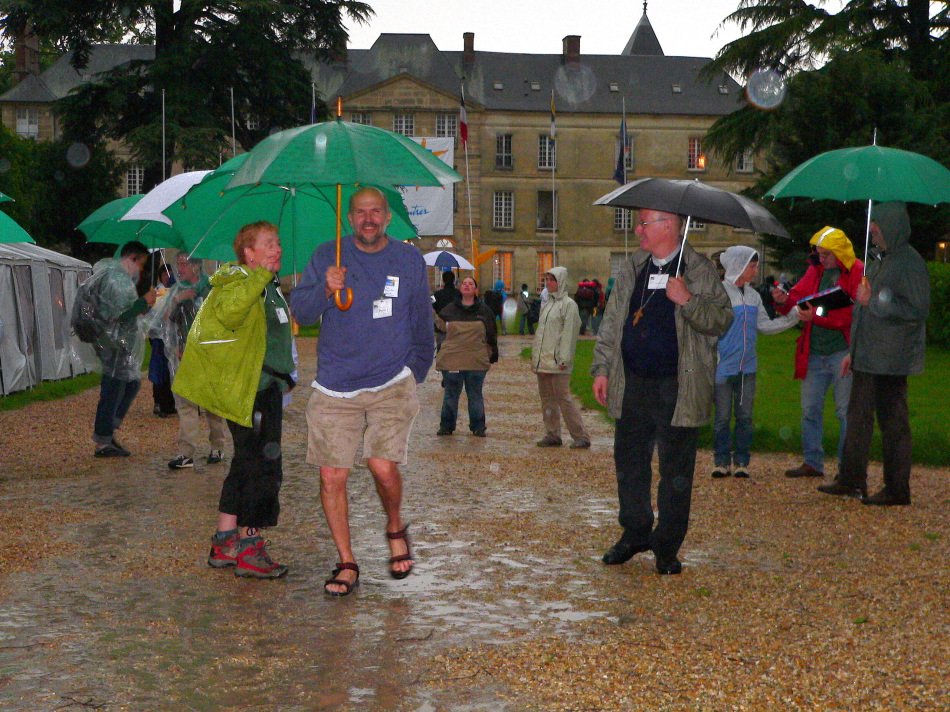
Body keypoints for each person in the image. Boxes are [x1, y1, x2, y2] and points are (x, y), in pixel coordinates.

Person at [290, 187, 433, 597]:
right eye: (360, 212)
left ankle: (394, 524)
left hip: (392, 382)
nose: (368, 219)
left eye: (375, 212)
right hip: (336, 384)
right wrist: (325, 290)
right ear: (349, 219)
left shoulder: (407, 260)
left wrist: (416, 371)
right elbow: (301, 312)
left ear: (387, 217)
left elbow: (421, 319)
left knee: (381, 466)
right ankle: (347, 561)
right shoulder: (326, 256)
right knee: (331, 475)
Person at [591, 209, 732, 575]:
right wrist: (603, 368)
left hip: (679, 387)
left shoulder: (698, 269)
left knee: (676, 471)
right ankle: (635, 531)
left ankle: (666, 546)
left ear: (668, 226)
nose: (637, 229)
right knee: (630, 463)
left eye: (644, 223)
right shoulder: (633, 267)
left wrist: (687, 300)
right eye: (639, 223)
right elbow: (612, 322)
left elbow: (721, 321)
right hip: (634, 382)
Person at [173, 222, 295, 579]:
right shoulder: (238, 280)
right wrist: (258, 278)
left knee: (246, 462)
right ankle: (249, 547)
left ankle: (225, 540)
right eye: (268, 244)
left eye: (278, 242)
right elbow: (230, 313)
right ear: (248, 252)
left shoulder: (268, 285)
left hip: (265, 386)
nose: (277, 249)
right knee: (262, 466)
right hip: (250, 389)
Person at [818, 203, 931, 505]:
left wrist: (875, 303)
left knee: (893, 424)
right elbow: (862, 312)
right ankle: (852, 479)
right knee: (858, 419)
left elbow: (918, 310)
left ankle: (897, 489)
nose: (871, 231)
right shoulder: (878, 261)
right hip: (869, 355)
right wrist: (853, 351)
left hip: (892, 359)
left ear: (892, 226)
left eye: (877, 226)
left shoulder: (909, 263)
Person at [772, 227, 864, 480]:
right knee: (809, 410)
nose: (821, 259)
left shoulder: (856, 271)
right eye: (819, 254)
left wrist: (817, 316)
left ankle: (847, 468)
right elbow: (799, 298)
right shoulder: (816, 269)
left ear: (839, 253)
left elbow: (851, 315)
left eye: (826, 255)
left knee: (845, 412)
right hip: (814, 351)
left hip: (842, 352)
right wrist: (783, 300)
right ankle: (813, 462)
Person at [712, 247, 799, 478]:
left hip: (747, 368)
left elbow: (765, 325)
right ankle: (721, 461)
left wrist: (793, 317)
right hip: (722, 367)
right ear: (739, 265)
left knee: (744, 417)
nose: (756, 270)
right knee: (721, 418)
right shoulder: (720, 293)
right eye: (752, 265)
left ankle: (741, 461)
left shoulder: (753, 296)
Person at [155, 252, 228, 470]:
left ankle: (218, 445)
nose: (180, 268)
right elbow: (166, 320)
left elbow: (220, 321)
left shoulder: (211, 289)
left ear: (196, 266)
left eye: (184, 263)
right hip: (183, 355)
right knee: (185, 403)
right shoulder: (177, 289)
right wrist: (177, 299)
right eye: (178, 263)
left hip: (208, 354)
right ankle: (186, 452)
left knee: (211, 404)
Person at [86, 240, 157, 457]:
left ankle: (107, 431)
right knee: (113, 388)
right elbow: (118, 315)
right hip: (113, 343)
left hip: (116, 342)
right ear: (132, 258)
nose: (141, 270)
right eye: (142, 264)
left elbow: (124, 313)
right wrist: (143, 302)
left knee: (131, 383)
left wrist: (142, 308)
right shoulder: (116, 281)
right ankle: (103, 441)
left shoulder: (118, 278)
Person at [531, 266, 591, 449]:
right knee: (547, 399)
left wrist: (564, 358)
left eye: (552, 279)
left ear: (561, 282)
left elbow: (569, 334)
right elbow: (541, 334)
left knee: (564, 399)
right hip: (544, 360)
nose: (548, 283)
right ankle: (552, 433)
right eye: (547, 279)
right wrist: (536, 358)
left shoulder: (569, 305)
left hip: (558, 362)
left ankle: (580, 435)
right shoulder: (548, 304)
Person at [435, 276, 498, 437]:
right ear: (460, 288)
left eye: (471, 283)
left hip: (475, 361)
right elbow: (440, 330)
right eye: (464, 283)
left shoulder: (484, 311)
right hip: (452, 360)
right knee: (451, 394)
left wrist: (491, 354)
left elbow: (491, 335)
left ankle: (478, 427)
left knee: (475, 394)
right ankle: (447, 426)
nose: (467, 285)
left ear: (476, 289)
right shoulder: (449, 310)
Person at [148, 264, 177, 417]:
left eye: (169, 273)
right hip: (159, 337)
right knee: (160, 369)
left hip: (172, 337)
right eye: (164, 274)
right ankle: (158, 401)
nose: (167, 276)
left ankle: (170, 403)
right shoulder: (157, 292)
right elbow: (154, 315)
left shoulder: (175, 291)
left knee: (171, 369)